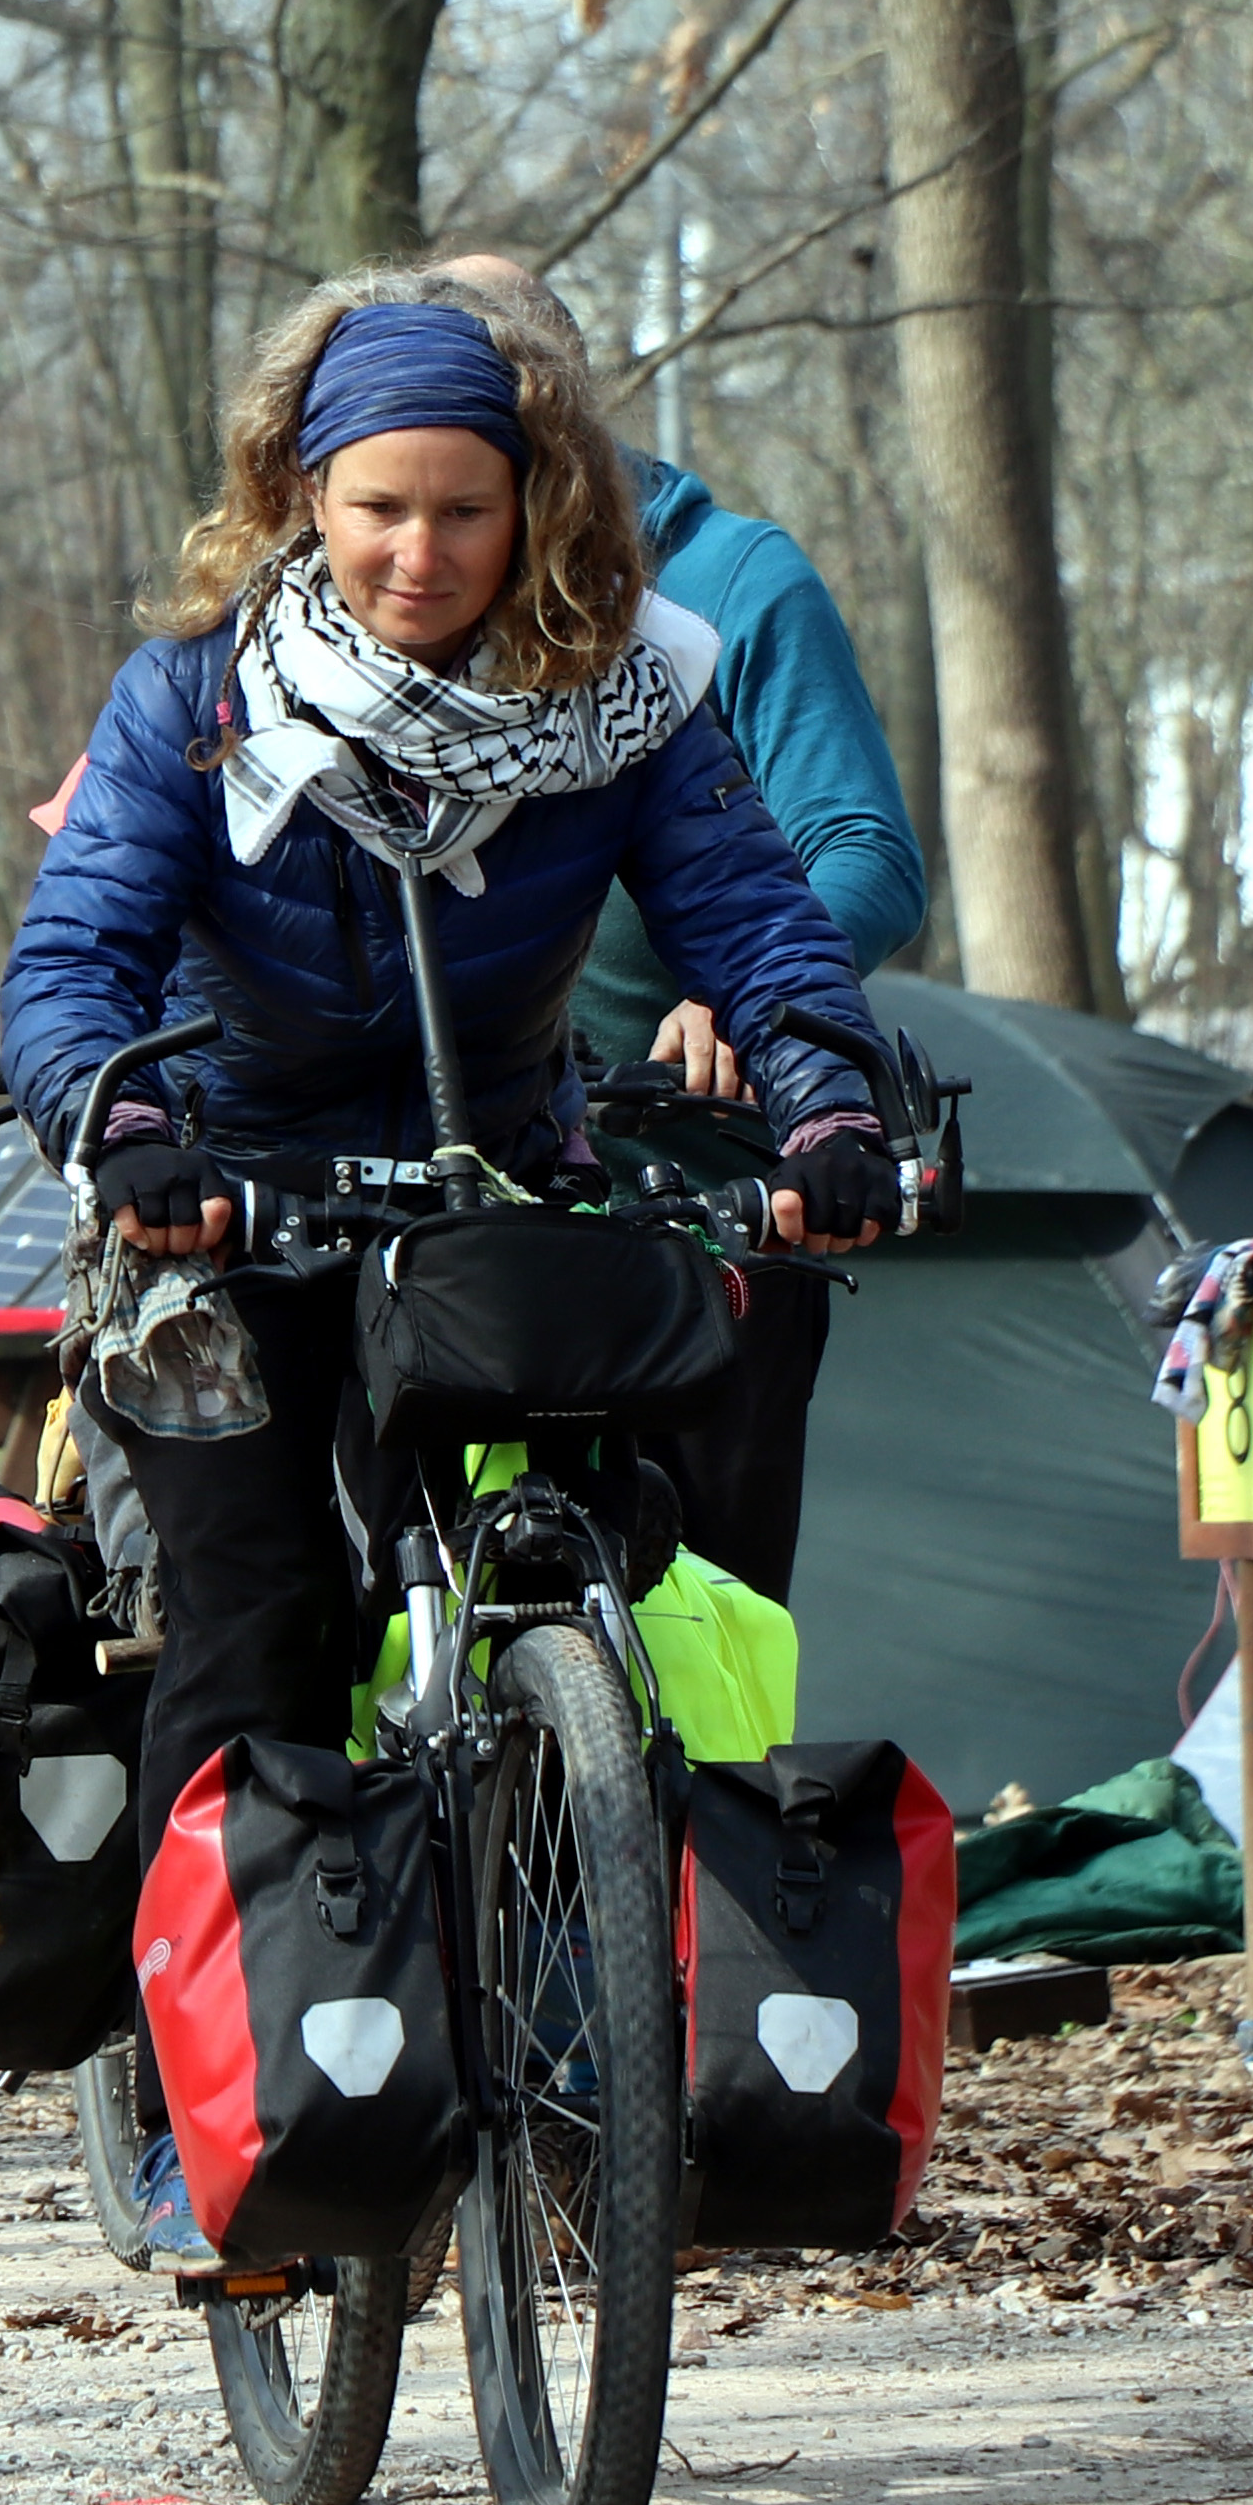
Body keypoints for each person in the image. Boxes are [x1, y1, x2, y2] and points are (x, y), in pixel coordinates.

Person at [0, 271, 901, 2252]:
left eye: (464, 512)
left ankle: (581, 2009)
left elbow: (760, 922)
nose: (420, 555)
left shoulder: (633, 697)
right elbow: (71, 969)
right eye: (376, 508)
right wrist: (130, 1131)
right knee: (251, 1628)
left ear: (539, 506)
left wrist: (826, 1103)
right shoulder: (200, 699)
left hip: (499, 1190)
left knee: (616, 1588)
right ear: (302, 497)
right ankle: (197, 2103)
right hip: (224, 1208)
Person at [442, 250, 925, 1602]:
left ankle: (705, 1819)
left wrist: (725, 999)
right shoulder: (417, 603)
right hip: (475, 1183)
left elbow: (868, 855)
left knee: (700, 1613)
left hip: (699, 1173)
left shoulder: (737, 581)